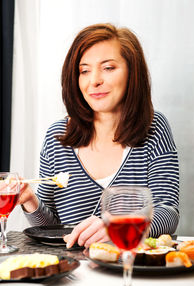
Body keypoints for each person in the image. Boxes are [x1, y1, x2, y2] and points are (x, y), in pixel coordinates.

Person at [18, 23, 179, 249]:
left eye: (108, 68)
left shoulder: (154, 128)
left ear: (132, 73)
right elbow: (53, 229)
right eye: (84, 71)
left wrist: (115, 226)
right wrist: (30, 202)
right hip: (72, 272)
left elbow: (168, 212)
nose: (94, 80)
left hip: (130, 267)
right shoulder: (57, 136)